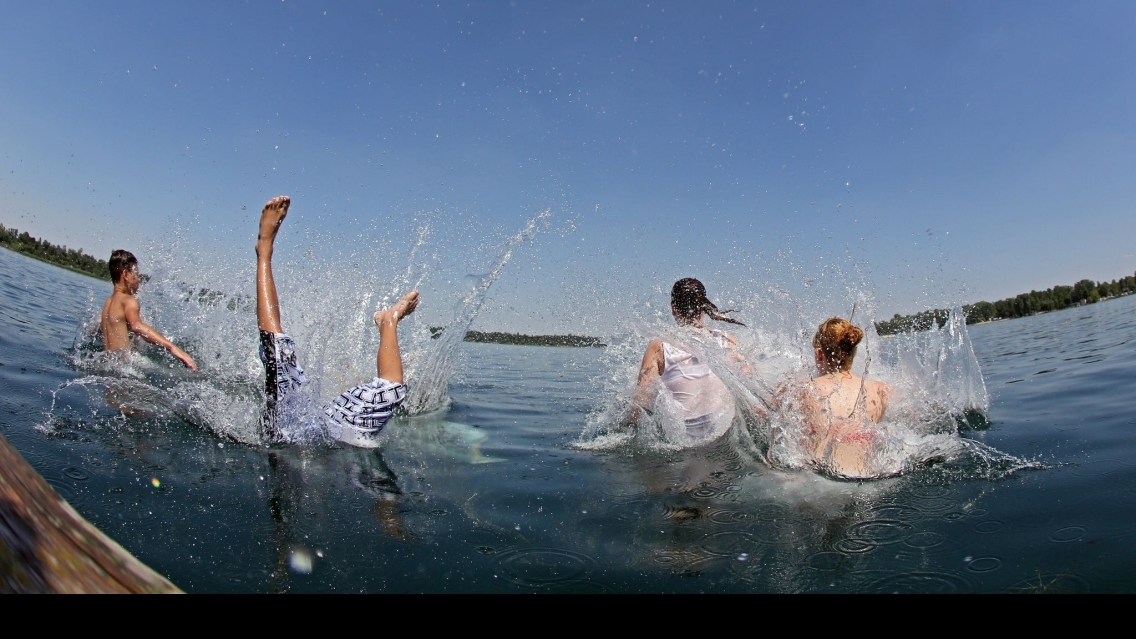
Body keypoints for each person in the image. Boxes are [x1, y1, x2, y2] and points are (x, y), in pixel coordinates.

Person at [256, 195, 418, 446]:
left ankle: (263, 252)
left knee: (279, 352)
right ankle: (389, 322)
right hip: (335, 432)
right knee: (393, 392)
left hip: (300, 432)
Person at [633, 278, 746, 442]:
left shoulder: (660, 346)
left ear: (673, 309)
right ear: (704, 307)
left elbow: (641, 399)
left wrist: (624, 424)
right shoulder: (728, 341)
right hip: (725, 432)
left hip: (683, 441)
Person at [793, 317, 893, 478]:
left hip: (819, 482)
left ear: (819, 354)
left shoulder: (803, 389)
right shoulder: (881, 389)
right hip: (871, 478)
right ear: (853, 353)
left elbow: (761, 410)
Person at [100, 249, 198, 371]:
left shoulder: (108, 303)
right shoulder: (129, 300)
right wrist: (172, 347)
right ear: (125, 274)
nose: (139, 279)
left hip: (107, 365)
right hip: (122, 369)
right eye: (136, 274)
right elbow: (136, 326)